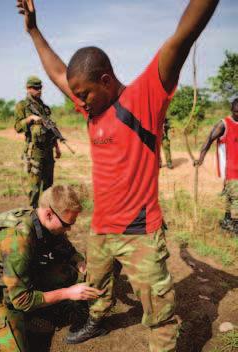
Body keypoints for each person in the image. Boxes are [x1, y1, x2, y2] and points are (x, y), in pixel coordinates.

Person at [16, 0, 219, 350]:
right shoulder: (93, 106)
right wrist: (34, 30)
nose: (80, 102)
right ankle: (96, 319)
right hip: (101, 227)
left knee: (158, 311)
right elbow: (59, 73)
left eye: (84, 95)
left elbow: (182, 37)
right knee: (96, 282)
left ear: (106, 81)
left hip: (140, 233)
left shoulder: (145, 98)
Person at [0, 185, 103, 352]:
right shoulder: (18, 241)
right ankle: (4, 317)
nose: (69, 229)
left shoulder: (39, 220)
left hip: (20, 275)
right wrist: (68, 293)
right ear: (49, 214)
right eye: (67, 224)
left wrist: (78, 261)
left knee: (67, 272)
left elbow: (62, 245)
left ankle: (39, 311)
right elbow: (21, 300)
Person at [14, 76, 62, 208]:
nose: (39, 90)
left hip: (48, 150)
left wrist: (57, 147)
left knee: (48, 184)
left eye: (40, 88)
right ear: (28, 89)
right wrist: (30, 118)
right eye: (35, 88)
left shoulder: (44, 108)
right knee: (34, 185)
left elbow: (51, 130)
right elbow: (17, 127)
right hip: (35, 150)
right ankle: (32, 211)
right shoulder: (22, 106)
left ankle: (46, 209)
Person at [194, 98, 238, 235]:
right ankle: (234, 226)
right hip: (232, 169)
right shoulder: (224, 124)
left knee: (230, 197)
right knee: (236, 197)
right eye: (237, 112)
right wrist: (201, 158)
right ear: (231, 109)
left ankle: (227, 221)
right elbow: (209, 139)